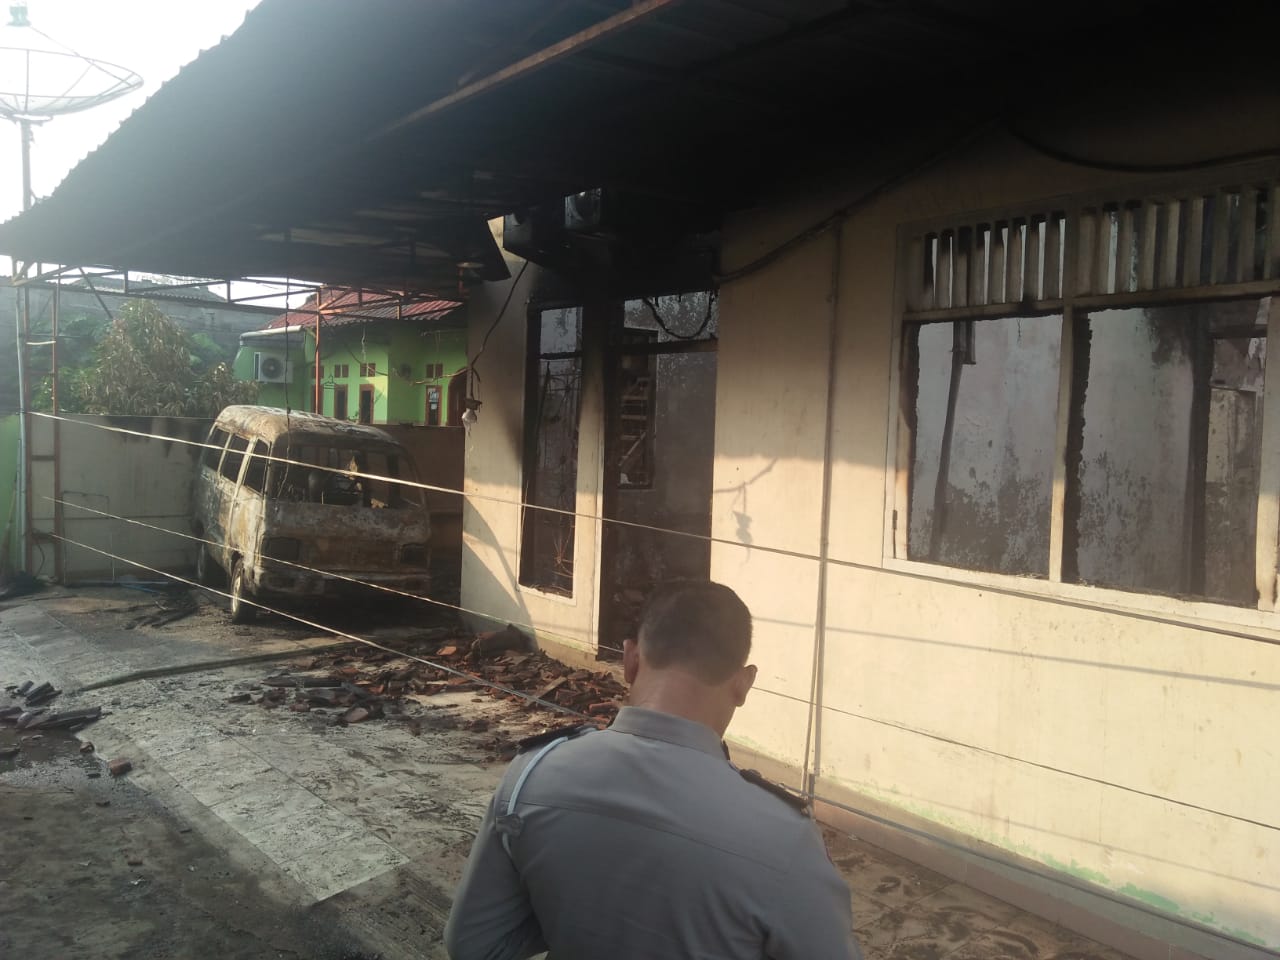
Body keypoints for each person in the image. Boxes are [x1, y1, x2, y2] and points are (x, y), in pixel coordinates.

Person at [444, 580, 862, 960]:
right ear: (743, 683)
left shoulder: (532, 774)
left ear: (630, 659)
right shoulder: (784, 837)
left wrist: (573, 910)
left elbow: (474, 946)